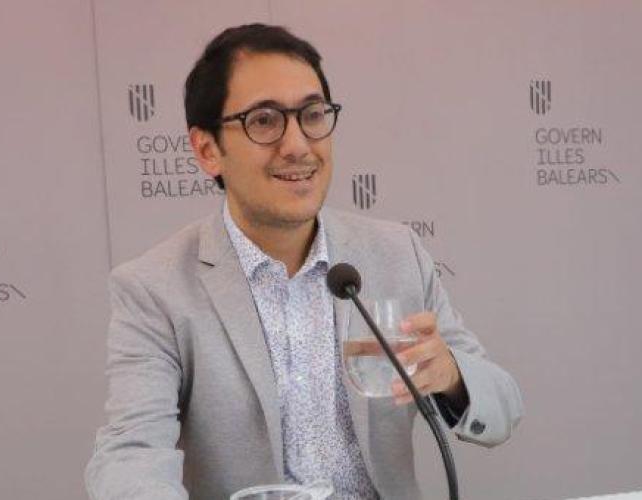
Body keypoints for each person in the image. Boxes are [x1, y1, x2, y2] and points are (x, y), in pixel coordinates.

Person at [85, 23, 523, 500]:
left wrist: (452, 375)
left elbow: (502, 408)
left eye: (312, 115)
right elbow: (131, 453)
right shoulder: (155, 289)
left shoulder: (396, 254)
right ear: (208, 150)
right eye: (264, 121)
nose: (297, 145)